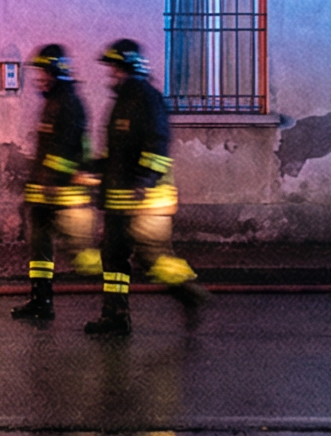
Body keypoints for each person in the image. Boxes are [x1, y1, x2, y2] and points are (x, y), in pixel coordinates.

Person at [88, 37, 210, 336]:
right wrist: (90, 169)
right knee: (113, 257)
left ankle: (188, 294)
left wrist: (145, 180)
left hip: (146, 199)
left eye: (115, 68)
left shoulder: (147, 99)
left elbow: (157, 145)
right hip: (120, 198)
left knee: (150, 257)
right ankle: (115, 317)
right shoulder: (121, 103)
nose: (111, 75)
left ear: (130, 67)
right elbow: (114, 154)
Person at [11, 43, 93, 321]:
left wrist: (52, 179)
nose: (40, 78)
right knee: (40, 246)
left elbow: (71, 150)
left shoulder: (69, 104)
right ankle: (40, 299)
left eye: (45, 72)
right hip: (45, 192)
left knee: (78, 253)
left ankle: (109, 283)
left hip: (62, 194)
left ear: (57, 72)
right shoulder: (54, 101)